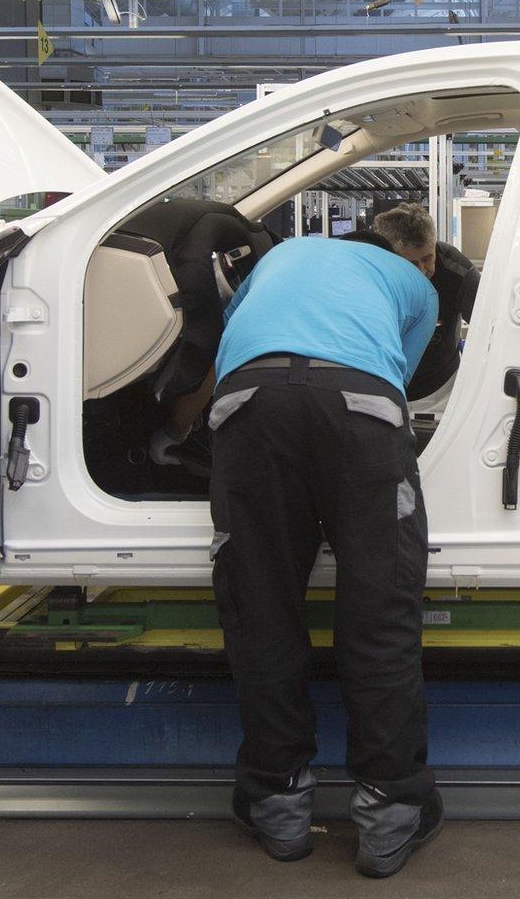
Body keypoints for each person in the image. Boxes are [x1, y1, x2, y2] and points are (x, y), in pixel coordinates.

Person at [207, 228, 443, 878]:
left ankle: (277, 803)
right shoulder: (416, 287)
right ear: (403, 259)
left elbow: (239, 335)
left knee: (261, 608)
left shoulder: (278, 261)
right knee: (379, 608)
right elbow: (401, 375)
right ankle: (389, 813)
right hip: (361, 404)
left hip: (248, 403)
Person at [371, 203, 481, 401]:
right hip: (379, 387)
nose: (423, 270)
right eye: (411, 264)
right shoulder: (369, 271)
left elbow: (492, 330)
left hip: (440, 390)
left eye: (428, 258)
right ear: (387, 255)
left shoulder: (458, 273)